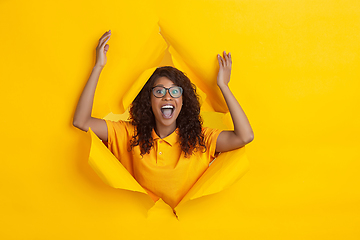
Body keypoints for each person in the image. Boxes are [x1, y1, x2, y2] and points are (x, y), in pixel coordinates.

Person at [73, 30, 254, 209]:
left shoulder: (201, 139)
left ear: (183, 101)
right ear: (149, 100)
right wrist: (98, 67)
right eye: (159, 91)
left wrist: (224, 85)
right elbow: (81, 121)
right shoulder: (128, 134)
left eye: (175, 91)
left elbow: (245, 136)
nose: (167, 96)